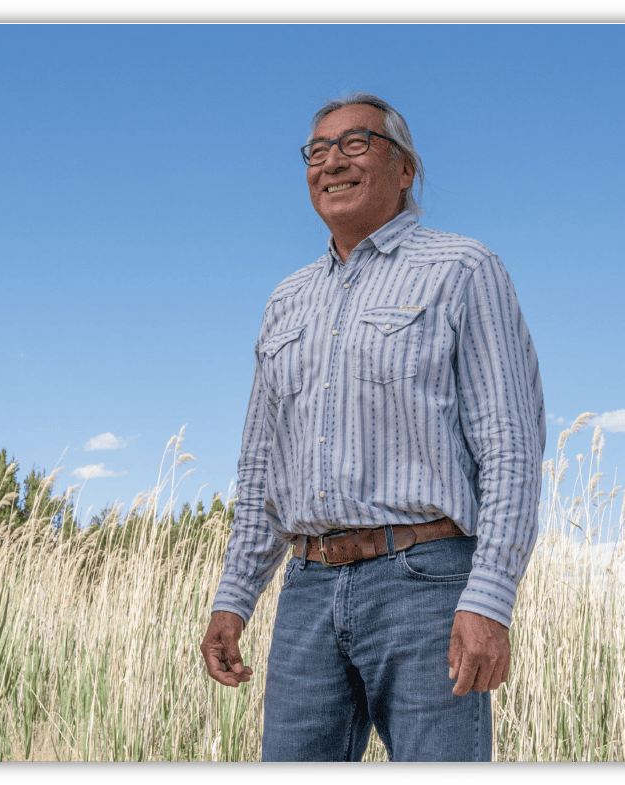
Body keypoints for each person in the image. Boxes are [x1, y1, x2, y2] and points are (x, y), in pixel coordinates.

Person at [199, 91, 546, 762]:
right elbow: (262, 467)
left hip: (427, 584)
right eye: (317, 151)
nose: (332, 161)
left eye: (355, 143)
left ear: (405, 168)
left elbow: (510, 448)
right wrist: (234, 597)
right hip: (307, 587)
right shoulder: (286, 301)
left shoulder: (463, 270)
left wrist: (491, 597)